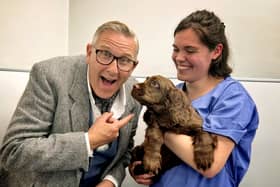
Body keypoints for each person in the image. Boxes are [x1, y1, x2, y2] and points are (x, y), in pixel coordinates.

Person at [0, 20, 142, 187]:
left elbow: (123, 154)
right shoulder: (49, 75)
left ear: (133, 66)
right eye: (105, 54)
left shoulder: (135, 93)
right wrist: (88, 141)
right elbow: (14, 152)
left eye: (124, 60)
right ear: (89, 52)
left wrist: (110, 182)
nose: (112, 69)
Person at [129, 9, 259, 187]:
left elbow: (210, 166)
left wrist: (159, 128)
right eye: (176, 49)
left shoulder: (233, 99)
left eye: (190, 50)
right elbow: (154, 147)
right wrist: (139, 166)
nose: (179, 58)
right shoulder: (173, 92)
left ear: (216, 51)